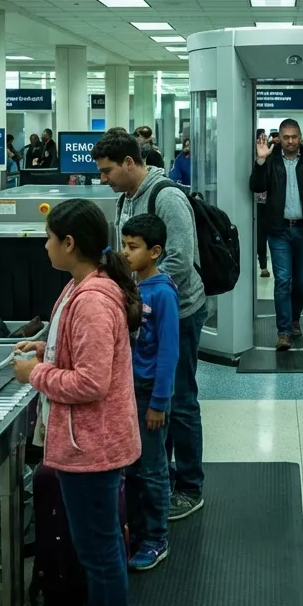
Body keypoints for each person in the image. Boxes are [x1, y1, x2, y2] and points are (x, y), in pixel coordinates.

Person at [12, 199, 141, 606]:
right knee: (96, 550)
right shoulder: (79, 287)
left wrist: (36, 373)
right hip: (83, 441)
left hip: (92, 446)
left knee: (100, 555)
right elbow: (77, 350)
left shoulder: (92, 302)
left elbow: (90, 382)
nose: (44, 246)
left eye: (49, 238)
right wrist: (47, 347)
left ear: (69, 243)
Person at [92, 130, 208, 521]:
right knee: (155, 397)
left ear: (129, 163)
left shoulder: (167, 196)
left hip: (178, 310)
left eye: (108, 171)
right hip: (142, 311)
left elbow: (179, 257)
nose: (103, 179)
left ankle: (190, 486)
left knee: (180, 398)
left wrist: (136, 294)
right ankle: (165, 475)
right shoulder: (126, 198)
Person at [120, 213, 179, 572]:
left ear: (154, 251)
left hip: (149, 394)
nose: (126, 253)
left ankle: (157, 538)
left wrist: (159, 402)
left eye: (133, 247)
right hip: (128, 389)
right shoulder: (132, 287)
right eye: (124, 245)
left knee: (153, 468)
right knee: (133, 467)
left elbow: (169, 352)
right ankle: (138, 531)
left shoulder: (163, 294)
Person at [251, 120, 303, 351]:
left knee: (299, 282)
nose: (290, 141)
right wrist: (260, 161)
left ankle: (295, 317)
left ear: (300, 138)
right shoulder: (270, 160)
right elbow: (256, 186)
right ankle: (284, 331)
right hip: (278, 230)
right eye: (286, 137)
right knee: (283, 281)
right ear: (279, 137)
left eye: (294, 137)